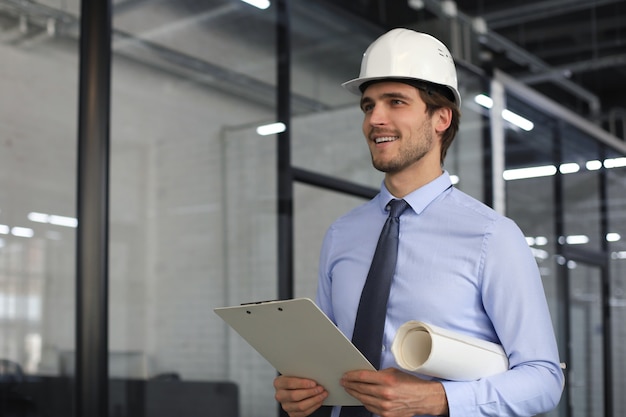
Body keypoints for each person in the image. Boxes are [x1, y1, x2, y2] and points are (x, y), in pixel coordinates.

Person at [274, 28, 564, 417]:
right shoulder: (342, 234)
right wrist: (302, 389)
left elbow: (544, 380)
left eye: (396, 102)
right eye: (368, 105)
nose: (375, 118)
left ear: (441, 118)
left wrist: (438, 399)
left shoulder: (492, 236)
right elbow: (329, 360)